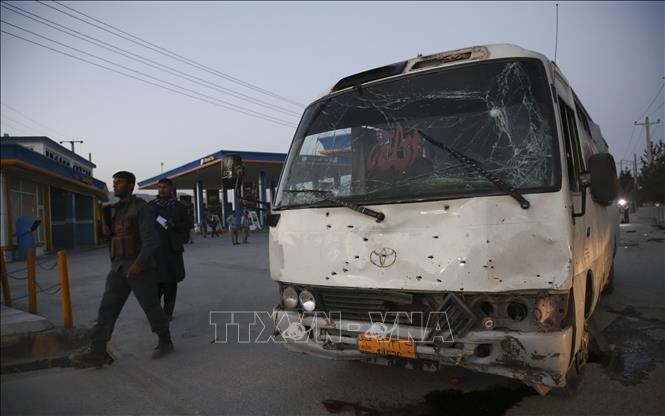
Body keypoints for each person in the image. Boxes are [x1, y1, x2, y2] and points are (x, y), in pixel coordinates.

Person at [69, 171, 173, 368]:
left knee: (151, 307)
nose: (115, 185)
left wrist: (138, 265)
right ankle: (98, 351)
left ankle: (165, 341)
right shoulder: (114, 210)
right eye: (114, 182)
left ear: (131, 185)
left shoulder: (142, 208)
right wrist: (107, 234)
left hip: (139, 269)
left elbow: (151, 242)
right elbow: (116, 238)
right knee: (107, 308)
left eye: (120, 182)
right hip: (118, 267)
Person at [149, 178, 188, 321]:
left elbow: (188, 224)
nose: (161, 189)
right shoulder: (151, 206)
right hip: (155, 251)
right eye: (159, 187)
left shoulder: (179, 207)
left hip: (172, 250)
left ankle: (168, 313)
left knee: (171, 284)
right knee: (155, 284)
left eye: (164, 187)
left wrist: (175, 225)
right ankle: (155, 312)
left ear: (171, 188)